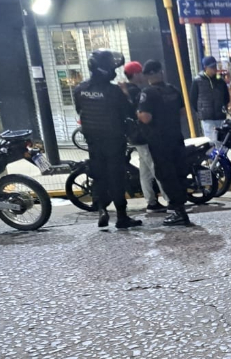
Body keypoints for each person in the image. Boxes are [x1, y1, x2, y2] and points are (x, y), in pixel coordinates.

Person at [73, 50, 142, 229]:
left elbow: (79, 110)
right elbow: (128, 111)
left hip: (92, 140)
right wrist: (126, 93)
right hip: (114, 139)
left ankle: (102, 210)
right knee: (116, 176)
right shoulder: (113, 91)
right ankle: (121, 216)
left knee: (99, 175)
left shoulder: (80, 89)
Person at [137, 60, 192, 227]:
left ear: (148, 75)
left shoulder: (148, 93)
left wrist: (137, 113)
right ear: (161, 72)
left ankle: (178, 212)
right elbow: (182, 112)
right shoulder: (173, 90)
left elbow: (146, 117)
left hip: (159, 141)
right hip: (176, 137)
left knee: (166, 175)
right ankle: (180, 209)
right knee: (179, 173)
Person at [123, 61, 167, 214]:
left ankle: (151, 202)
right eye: (141, 72)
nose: (144, 75)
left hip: (135, 136)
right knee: (157, 168)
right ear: (135, 74)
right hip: (142, 136)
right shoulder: (136, 92)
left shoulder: (128, 90)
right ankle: (171, 200)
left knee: (145, 171)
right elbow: (140, 114)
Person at [190, 56, 231, 142]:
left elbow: (226, 97)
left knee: (222, 141)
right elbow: (193, 99)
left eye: (215, 66)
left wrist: (224, 108)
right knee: (211, 141)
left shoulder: (220, 81)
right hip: (207, 118)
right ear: (205, 68)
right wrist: (202, 111)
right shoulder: (197, 81)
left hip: (220, 116)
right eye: (212, 67)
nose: (214, 69)